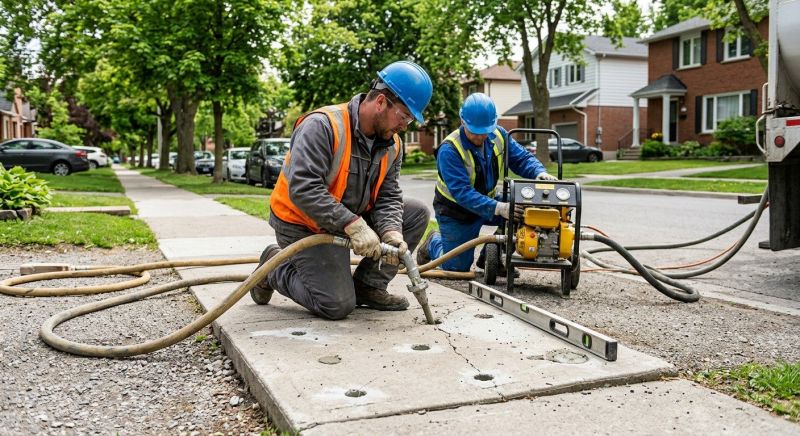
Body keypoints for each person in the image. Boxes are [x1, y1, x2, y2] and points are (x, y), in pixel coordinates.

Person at [250, 61, 433, 320]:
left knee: (415, 214)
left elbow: (388, 194)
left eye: (410, 119)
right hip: (302, 222)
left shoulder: (392, 144)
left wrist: (391, 232)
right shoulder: (323, 126)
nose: (406, 125)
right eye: (404, 116)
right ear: (381, 102)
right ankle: (274, 266)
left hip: (347, 217)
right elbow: (304, 188)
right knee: (336, 305)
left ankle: (368, 286)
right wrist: (353, 225)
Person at [416, 92, 557, 273]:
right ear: (462, 122)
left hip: (489, 202)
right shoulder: (449, 150)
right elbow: (463, 193)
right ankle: (432, 242)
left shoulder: (498, 135)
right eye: (476, 132)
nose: (482, 137)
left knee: (526, 207)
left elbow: (521, 158)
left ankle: (492, 258)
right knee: (456, 267)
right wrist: (500, 208)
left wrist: (539, 173)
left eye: (486, 131)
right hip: (457, 212)